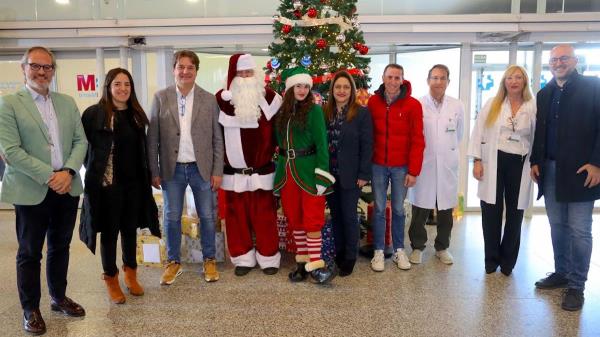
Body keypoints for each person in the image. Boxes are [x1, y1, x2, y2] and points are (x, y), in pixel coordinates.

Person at [0, 46, 87, 335]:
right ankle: (30, 308)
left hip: (67, 186)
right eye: (35, 66)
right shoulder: (9, 104)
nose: (41, 72)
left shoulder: (66, 102)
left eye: (47, 67)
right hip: (31, 188)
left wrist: (69, 172)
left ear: (53, 71)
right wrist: (51, 176)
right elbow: (11, 151)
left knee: (61, 247)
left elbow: (80, 142)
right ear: (23, 68)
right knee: (29, 252)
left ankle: (58, 297)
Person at [79, 68, 160, 304]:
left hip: (134, 184)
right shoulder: (95, 114)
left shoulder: (135, 114)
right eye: (117, 84)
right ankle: (111, 278)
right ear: (108, 87)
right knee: (109, 232)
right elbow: (85, 149)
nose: (122, 88)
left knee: (129, 229)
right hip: (108, 185)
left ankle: (130, 274)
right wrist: (98, 174)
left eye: (127, 84)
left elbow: (142, 149)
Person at [530, 44, 600, 311]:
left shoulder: (594, 87)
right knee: (557, 226)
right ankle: (562, 273)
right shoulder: (544, 93)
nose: (559, 63)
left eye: (564, 58)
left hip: (583, 172)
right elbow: (541, 131)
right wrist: (536, 161)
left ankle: (576, 286)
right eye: (554, 59)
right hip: (550, 170)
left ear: (575, 60)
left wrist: (597, 163)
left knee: (580, 231)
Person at [147, 50, 224, 285]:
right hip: (172, 169)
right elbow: (153, 139)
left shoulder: (209, 99)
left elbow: (217, 138)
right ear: (174, 69)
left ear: (196, 71)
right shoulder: (161, 97)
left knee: (208, 216)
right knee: (171, 216)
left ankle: (209, 259)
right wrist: (154, 170)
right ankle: (173, 262)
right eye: (181, 66)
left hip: (202, 167)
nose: (185, 71)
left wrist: (217, 171)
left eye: (190, 67)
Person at [215, 53, 282, 276]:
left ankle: (269, 257)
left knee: (265, 217)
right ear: (233, 75)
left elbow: (280, 133)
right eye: (241, 72)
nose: (245, 76)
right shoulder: (221, 101)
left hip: (262, 172)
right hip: (232, 175)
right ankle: (243, 257)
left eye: (249, 72)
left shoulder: (271, 99)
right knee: (236, 218)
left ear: (256, 74)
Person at [468, 65, 536, 276]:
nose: (513, 81)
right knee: (491, 210)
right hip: (494, 160)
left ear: (524, 81)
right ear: (504, 82)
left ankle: (508, 262)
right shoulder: (493, 104)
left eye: (518, 77)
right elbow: (478, 131)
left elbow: (537, 137)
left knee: (516, 212)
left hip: (521, 162)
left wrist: (536, 163)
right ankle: (491, 259)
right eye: (509, 78)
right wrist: (477, 160)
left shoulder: (533, 106)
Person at [273, 66, 336, 284]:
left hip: (309, 173)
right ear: (290, 87)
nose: (302, 90)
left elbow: (322, 145)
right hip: (287, 173)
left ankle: (317, 265)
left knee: (312, 220)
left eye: (306, 86)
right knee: (295, 219)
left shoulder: (315, 111)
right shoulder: (282, 112)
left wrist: (321, 176)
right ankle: (302, 263)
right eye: (298, 86)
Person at [368, 64, 425, 272]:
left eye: (397, 77)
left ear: (402, 80)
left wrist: (413, 170)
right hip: (378, 166)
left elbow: (418, 140)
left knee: (399, 209)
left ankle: (400, 250)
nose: (393, 81)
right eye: (390, 77)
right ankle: (379, 252)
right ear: (383, 78)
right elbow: (368, 136)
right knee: (380, 209)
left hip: (402, 167)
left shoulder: (413, 105)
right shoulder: (373, 102)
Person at [408, 64, 464, 265]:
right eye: (434, 78)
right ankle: (417, 246)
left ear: (448, 82)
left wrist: (445, 153)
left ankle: (442, 247)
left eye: (442, 78)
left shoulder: (457, 105)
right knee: (420, 207)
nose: (438, 82)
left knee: (446, 209)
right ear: (428, 80)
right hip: (424, 163)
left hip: (447, 163)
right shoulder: (418, 104)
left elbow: (459, 135)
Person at [323, 71, 372, 276]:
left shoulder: (361, 113)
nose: (341, 91)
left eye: (345, 87)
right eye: (338, 87)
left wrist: (363, 173)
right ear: (332, 90)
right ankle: (339, 251)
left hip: (352, 175)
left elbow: (367, 145)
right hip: (329, 175)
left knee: (349, 216)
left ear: (351, 90)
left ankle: (350, 256)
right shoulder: (324, 112)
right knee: (335, 216)